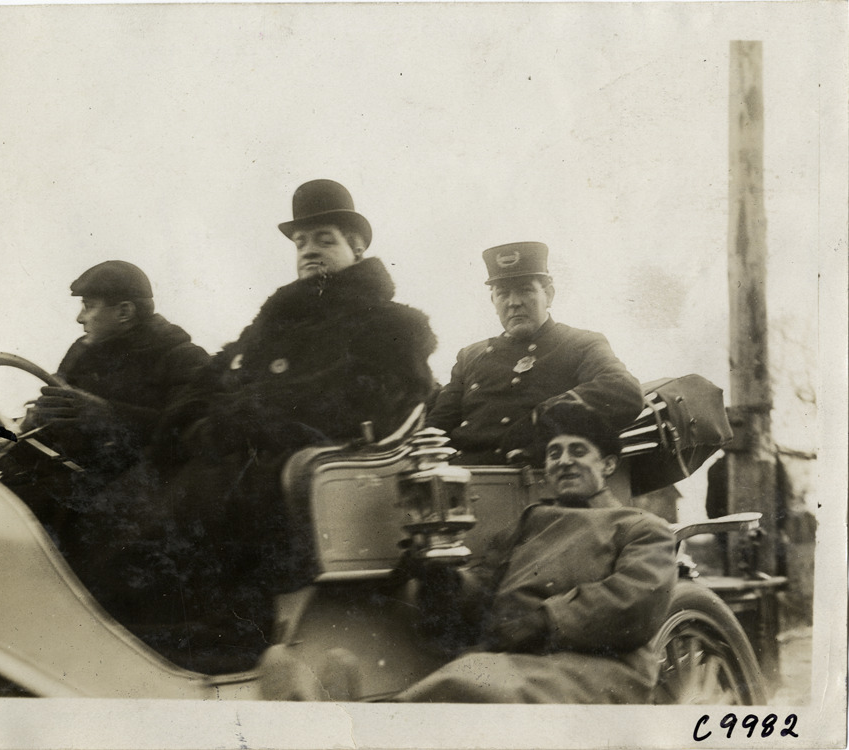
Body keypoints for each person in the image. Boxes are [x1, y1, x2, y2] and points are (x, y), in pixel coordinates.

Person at [114, 178, 438, 673]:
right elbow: (212, 377)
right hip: (243, 453)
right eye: (301, 242)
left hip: (314, 465)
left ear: (357, 247)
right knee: (130, 495)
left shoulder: (393, 325)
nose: (309, 251)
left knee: (218, 492)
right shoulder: (276, 320)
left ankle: (231, 636)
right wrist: (195, 421)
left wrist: (241, 420)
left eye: (324, 239)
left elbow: (364, 400)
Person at [396, 401, 677, 703]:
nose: (564, 461)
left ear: (607, 465)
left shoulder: (640, 527)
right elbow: (483, 589)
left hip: (599, 666)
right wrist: (444, 579)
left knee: (461, 687)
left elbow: (634, 601)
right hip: (515, 661)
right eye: (554, 453)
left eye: (578, 451)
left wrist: (544, 621)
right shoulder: (526, 525)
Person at [0, 260, 210, 518]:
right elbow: (46, 436)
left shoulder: (184, 358)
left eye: (88, 306)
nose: (79, 318)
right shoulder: (82, 353)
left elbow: (194, 436)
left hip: (137, 505)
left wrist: (108, 415)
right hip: (73, 490)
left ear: (124, 311)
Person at [426, 241, 643, 464]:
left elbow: (624, 391)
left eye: (525, 290)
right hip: (464, 473)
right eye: (503, 293)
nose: (513, 303)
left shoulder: (580, 343)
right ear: (493, 301)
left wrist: (544, 416)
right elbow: (437, 426)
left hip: (538, 474)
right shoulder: (470, 356)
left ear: (549, 295)